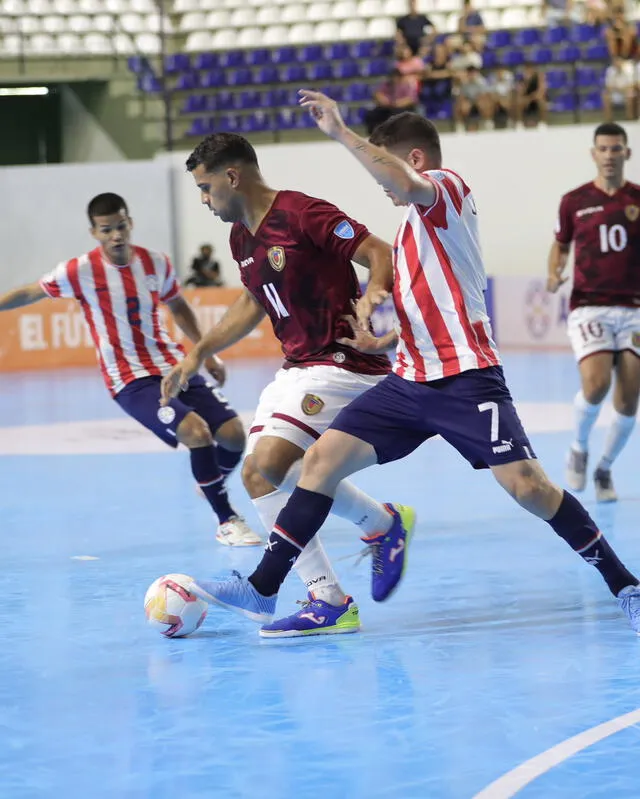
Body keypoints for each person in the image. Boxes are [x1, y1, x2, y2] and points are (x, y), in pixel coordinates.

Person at [184, 100, 640, 636]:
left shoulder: (447, 189)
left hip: (466, 378)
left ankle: (624, 583)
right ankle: (264, 586)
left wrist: (341, 133)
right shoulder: (407, 231)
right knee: (318, 464)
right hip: (407, 380)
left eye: (389, 169)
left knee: (529, 489)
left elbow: (400, 178)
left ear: (415, 160)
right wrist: (384, 338)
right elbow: (427, 304)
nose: (384, 187)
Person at [160, 133, 407, 638]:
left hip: (345, 364)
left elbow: (380, 251)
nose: (204, 201)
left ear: (233, 176)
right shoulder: (240, 238)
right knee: (282, 473)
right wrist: (200, 351)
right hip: (297, 368)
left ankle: (326, 598)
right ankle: (380, 525)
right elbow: (255, 301)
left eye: (206, 188)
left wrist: (373, 300)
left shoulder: (300, 212)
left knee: (262, 471)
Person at [0, 192, 260, 547]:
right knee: (196, 433)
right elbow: (33, 292)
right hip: (131, 380)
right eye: (107, 230)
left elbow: (179, 308)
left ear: (130, 223)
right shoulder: (80, 271)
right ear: (94, 232)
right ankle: (226, 519)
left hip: (172, 366)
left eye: (121, 226)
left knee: (233, 435)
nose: (116, 235)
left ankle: (209, 483)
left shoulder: (156, 263)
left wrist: (206, 355)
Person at [547, 122, 640, 503]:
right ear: (593, 154)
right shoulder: (574, 200)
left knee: (630, 395)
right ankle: (579, 446)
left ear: (627, 154)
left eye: (616, 149)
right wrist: (553, 272)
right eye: (603, 148)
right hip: (589, 304)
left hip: (633, 307)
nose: (609, 155)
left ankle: (603, 467)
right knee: (597, 383)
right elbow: (560, 245)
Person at [365, 69, 420, 136]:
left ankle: (395, 135)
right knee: (372, 114)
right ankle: (372, 134)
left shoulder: (407, 84)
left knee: (395, 114)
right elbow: (377, 94)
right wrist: (381, 98)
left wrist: (399, 103)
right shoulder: (387, 84)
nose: (394, 79)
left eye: (396, 77)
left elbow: (411, 99)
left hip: (403, 107)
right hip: (387, 107)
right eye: (392, 77)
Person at [602, 57, 636, 122]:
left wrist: (620, 88)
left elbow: (631, 85)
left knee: (630, 95)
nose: (617, 63)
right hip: (615, 93)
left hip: (626, 92)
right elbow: (608, 86)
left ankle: (630, 118)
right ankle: (609, 120)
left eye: (619, 61)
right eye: (615, 61)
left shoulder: (628, 70)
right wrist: (619, 88)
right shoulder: (610, 70)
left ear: (622, 62)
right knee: (605, 96)